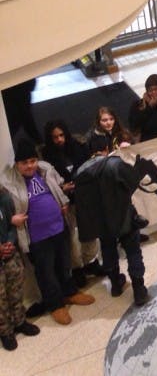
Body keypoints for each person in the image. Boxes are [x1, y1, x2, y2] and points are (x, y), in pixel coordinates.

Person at [1, 139, 95, 326]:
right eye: (25, 163)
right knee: (46, 272)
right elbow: (4, 210)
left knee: (64, 263)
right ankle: (55, 304)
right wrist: (12, 219)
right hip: (37, 236)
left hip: (59, 227)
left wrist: (62, 198)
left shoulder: (44, 171)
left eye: (32, 161)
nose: (30, 166)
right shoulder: (9, 183)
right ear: (17, 164)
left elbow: (56, 188)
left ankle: (70, 293)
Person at [73, 154, 150, 308]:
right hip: (123, 216)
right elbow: (133, 180)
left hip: (100, 222)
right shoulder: (114, 163)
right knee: (133, 251)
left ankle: (115, 285)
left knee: (108, 251)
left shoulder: (80, 172)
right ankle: (139, 289)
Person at [41, 121, 102, 289]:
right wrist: (62, 188)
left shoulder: (78, 146)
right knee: (72, 237)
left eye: (61, 135)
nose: (59, 140)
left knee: (90, 231)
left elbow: (89, 167)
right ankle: (77, 269)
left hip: (84, 196)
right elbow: (46, 182)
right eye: (55, 137)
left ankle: (91, 262)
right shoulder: (46, 155)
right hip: (64, 202)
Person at [0, 181, 40, 350]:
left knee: (15, 289)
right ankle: (5, 331)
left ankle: (19, 321)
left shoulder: (4, 196)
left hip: (10, 254)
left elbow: (11, 223)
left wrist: (9, 242)